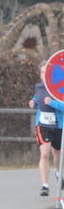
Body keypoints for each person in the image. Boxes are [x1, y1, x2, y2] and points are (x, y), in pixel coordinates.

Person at [30, 62, 61, 196]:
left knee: (58, 156)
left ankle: (58, 172)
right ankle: (45, 185)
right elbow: (38, 97)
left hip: (59, 126)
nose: (44, 74)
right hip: (43, 125)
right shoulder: (39, 87)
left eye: (46, 72)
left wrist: (52, 102)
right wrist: (33, 101)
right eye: (42, 72)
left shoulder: (60, 87)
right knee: (44, 154)